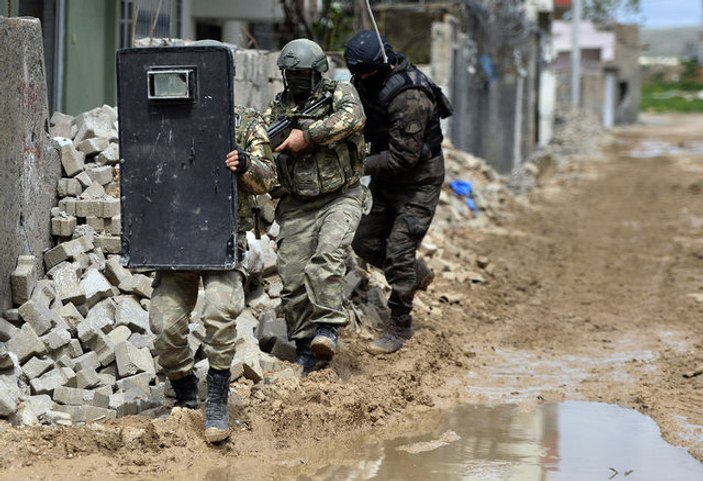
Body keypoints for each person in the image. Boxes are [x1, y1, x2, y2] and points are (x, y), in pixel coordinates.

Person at [150, 105, 276, 443]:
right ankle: (184, 386)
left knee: (220, 312)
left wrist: (244, 164)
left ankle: (218, 397)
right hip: (178, 241)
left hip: (224, 238)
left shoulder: (246, 121)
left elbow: (268, 177)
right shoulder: (169, 116)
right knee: (164, 323)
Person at [265, 38, 368, 374]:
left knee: (326, 258)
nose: (295, 80)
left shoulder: (339, 93)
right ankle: (305, 347)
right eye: (290, 74)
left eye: (302, 74)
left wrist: (306, 137)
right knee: (292, 279)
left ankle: (327, 327)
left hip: (341, 196)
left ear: (317, 73)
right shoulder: (278, 108)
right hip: (297, 203)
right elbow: (260, 142)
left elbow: (353, 118)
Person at [344, 31, 447, 354]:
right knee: (365, 242)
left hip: (419, 181)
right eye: (357, 73)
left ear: (383, 64)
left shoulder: (410, 96)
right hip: (386, 179)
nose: (361, 78)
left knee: (399, 250)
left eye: (367, 73)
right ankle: (415, 274)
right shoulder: (364, 83)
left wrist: (356, 166)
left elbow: (404, 157)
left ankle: (400, 323)